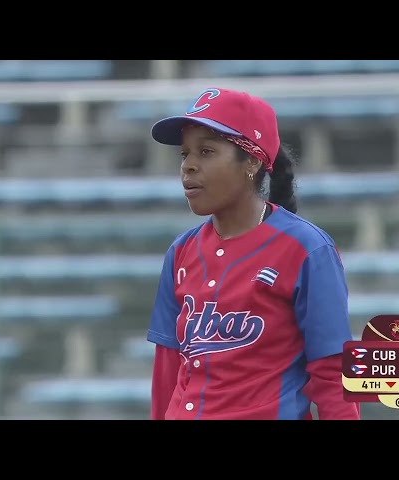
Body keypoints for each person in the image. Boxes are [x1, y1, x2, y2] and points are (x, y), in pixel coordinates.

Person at [146, 87, 360, 420]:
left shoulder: (307, 249)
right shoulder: (180, 252)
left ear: (253, 160)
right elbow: (167, 371)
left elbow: (333, 374)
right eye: (185, 154)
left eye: (206, 151)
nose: (188, 166)